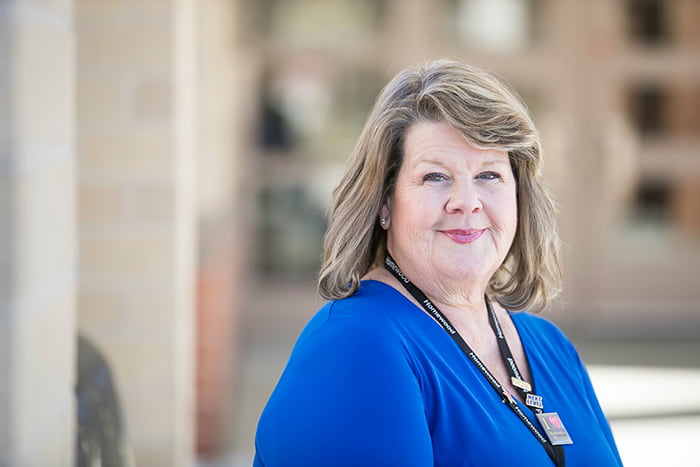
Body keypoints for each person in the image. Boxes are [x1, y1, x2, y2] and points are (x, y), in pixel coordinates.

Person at [253, 59, 622, 467]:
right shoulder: (356, 346)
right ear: (385, 202)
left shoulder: (550, 346)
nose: (467, 201)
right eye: (435, 177)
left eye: (489, 175)